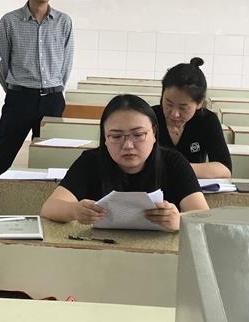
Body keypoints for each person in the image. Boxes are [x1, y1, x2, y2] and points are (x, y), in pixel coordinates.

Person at [40, 95, 209, 231]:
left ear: (154, 133)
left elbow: (203, 216)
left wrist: (178, 220)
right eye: (116, 136)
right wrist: (74, 211)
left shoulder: (174, 162)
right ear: (105, 138)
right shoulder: (91, 161)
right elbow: (49, 208)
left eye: (138, 135)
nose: (128, 145)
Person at [0, 0, 74, 196]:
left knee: (50, 161)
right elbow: (0, 62)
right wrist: (15, 90)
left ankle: (46, 206)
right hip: (19, 99)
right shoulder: (10, 21)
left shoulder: (63, 21)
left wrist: (54, 89)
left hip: (52, 100)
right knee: (0, 159)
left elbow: (66, 63)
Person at [153, 58, 232, 178]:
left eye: (183, 107)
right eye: (168, 104)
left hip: (193, 186)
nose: (174, 114)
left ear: (199, 103)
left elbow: (224, 169)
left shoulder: (207, 121)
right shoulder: (149, 117)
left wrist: (178, 168)